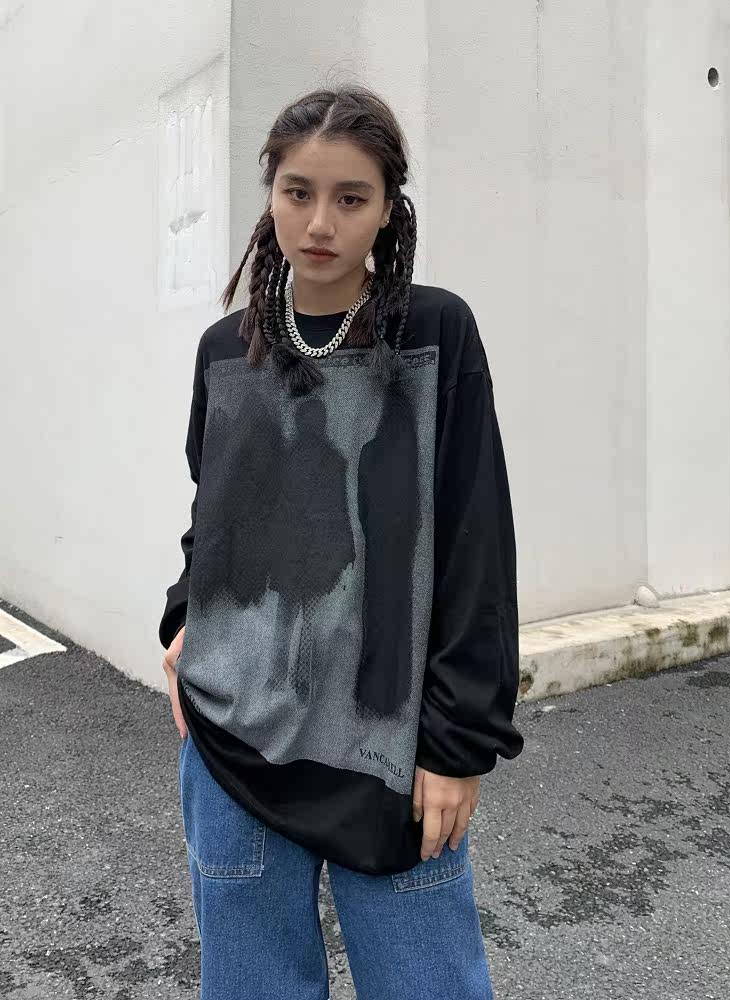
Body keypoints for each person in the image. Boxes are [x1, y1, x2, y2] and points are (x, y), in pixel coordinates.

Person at [159, 83, 524, 1000]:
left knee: (429, 985)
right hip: (233, 745)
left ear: (388, 208)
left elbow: (475, 540)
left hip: (388, 753)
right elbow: (216, 515)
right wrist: (185, 621)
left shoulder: (434, 333)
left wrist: (457, 746)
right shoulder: (224, 348)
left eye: (351, 197)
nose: (320, 222)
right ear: (271, 195)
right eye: (298, 192)